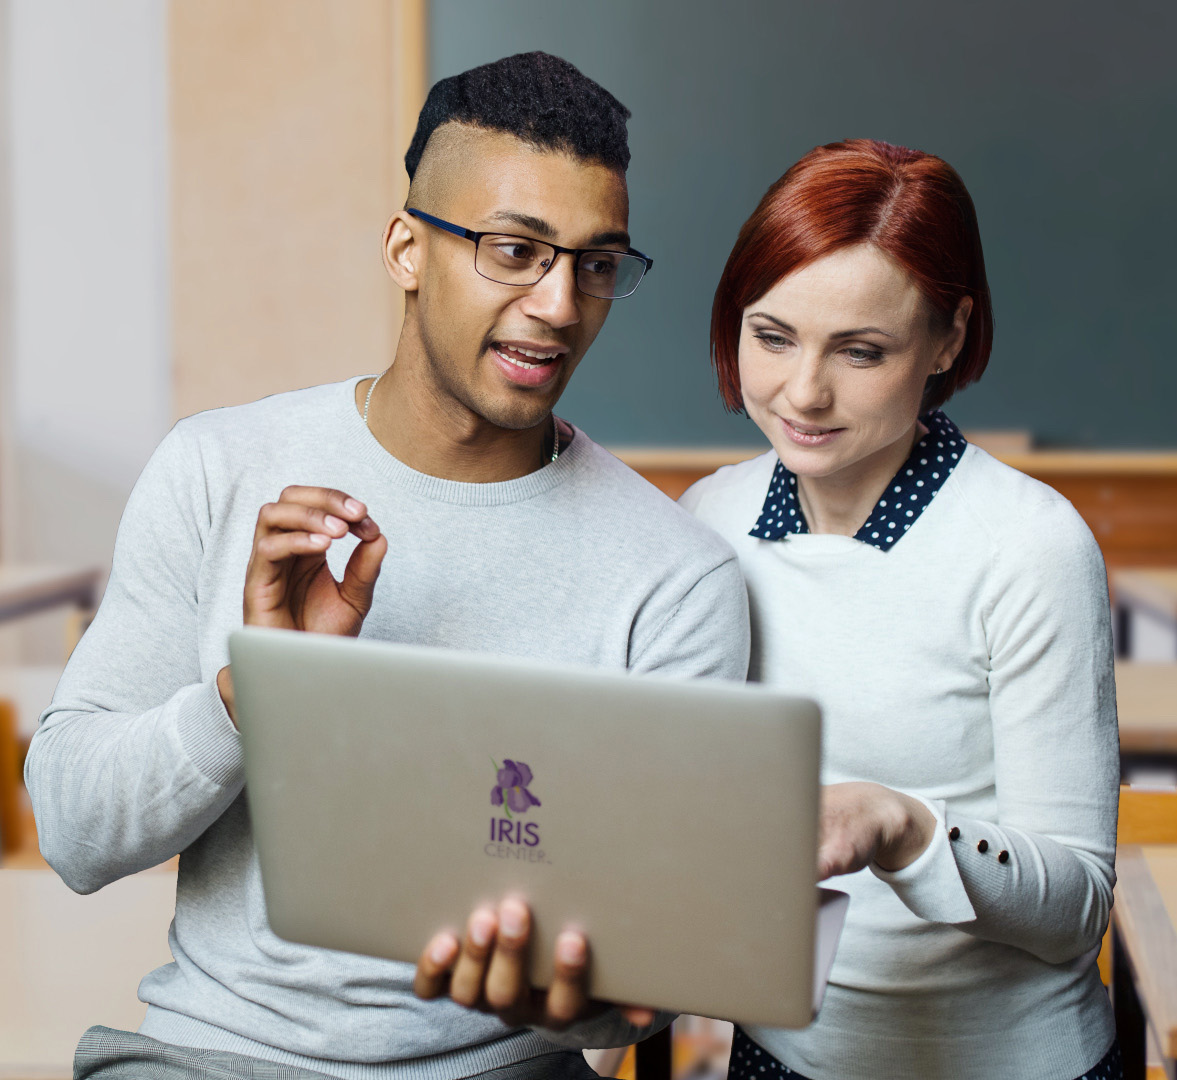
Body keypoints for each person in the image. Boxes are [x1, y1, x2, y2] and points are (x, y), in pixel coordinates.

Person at [26, 52, 748, 1080]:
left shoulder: (674, 576)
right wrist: (252, 692)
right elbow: (74, 833)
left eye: (596, 265)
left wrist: (581, 999)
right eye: (514, 251)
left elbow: (649, 984)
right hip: (213, 1058)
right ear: (408, 248)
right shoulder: (217, 468)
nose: (558, 304)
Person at [678, 139, 1121, 1080]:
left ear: (948, 340)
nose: (803, 392)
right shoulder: (708, 520)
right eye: (771, 336)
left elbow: (1077, 909)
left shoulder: (1028, 547)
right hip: (780, 1056)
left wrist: (902, 827)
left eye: (861, 351)